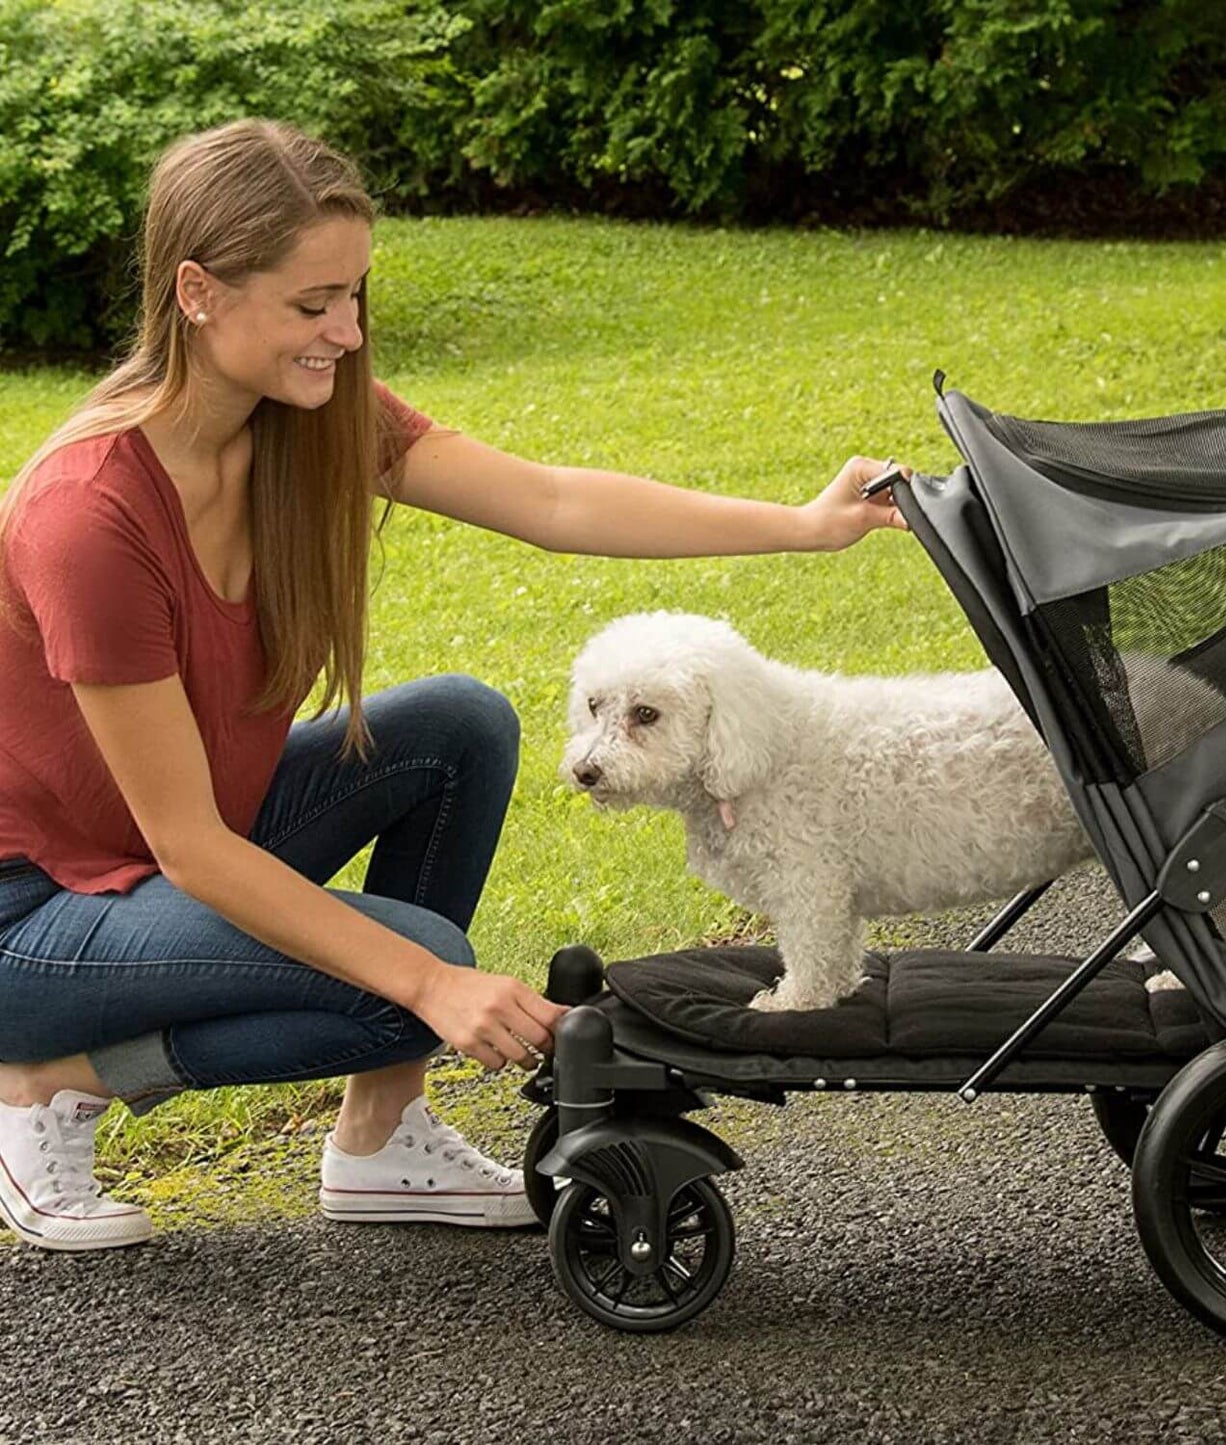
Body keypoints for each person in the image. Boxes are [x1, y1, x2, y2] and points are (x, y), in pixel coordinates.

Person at [0, 119, 906, 1251]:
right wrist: (429, 984)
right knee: (408, 970)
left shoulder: (307, 422)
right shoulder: (89, 513)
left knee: (459, 727)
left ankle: (380, 1140)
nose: (348, 330)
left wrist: (805, 529)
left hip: (163, 862)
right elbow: (187, 845)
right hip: (35, 919)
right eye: (314, 301)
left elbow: (552, 502)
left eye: (357, 293)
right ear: (197, 291)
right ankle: (52, 1078)